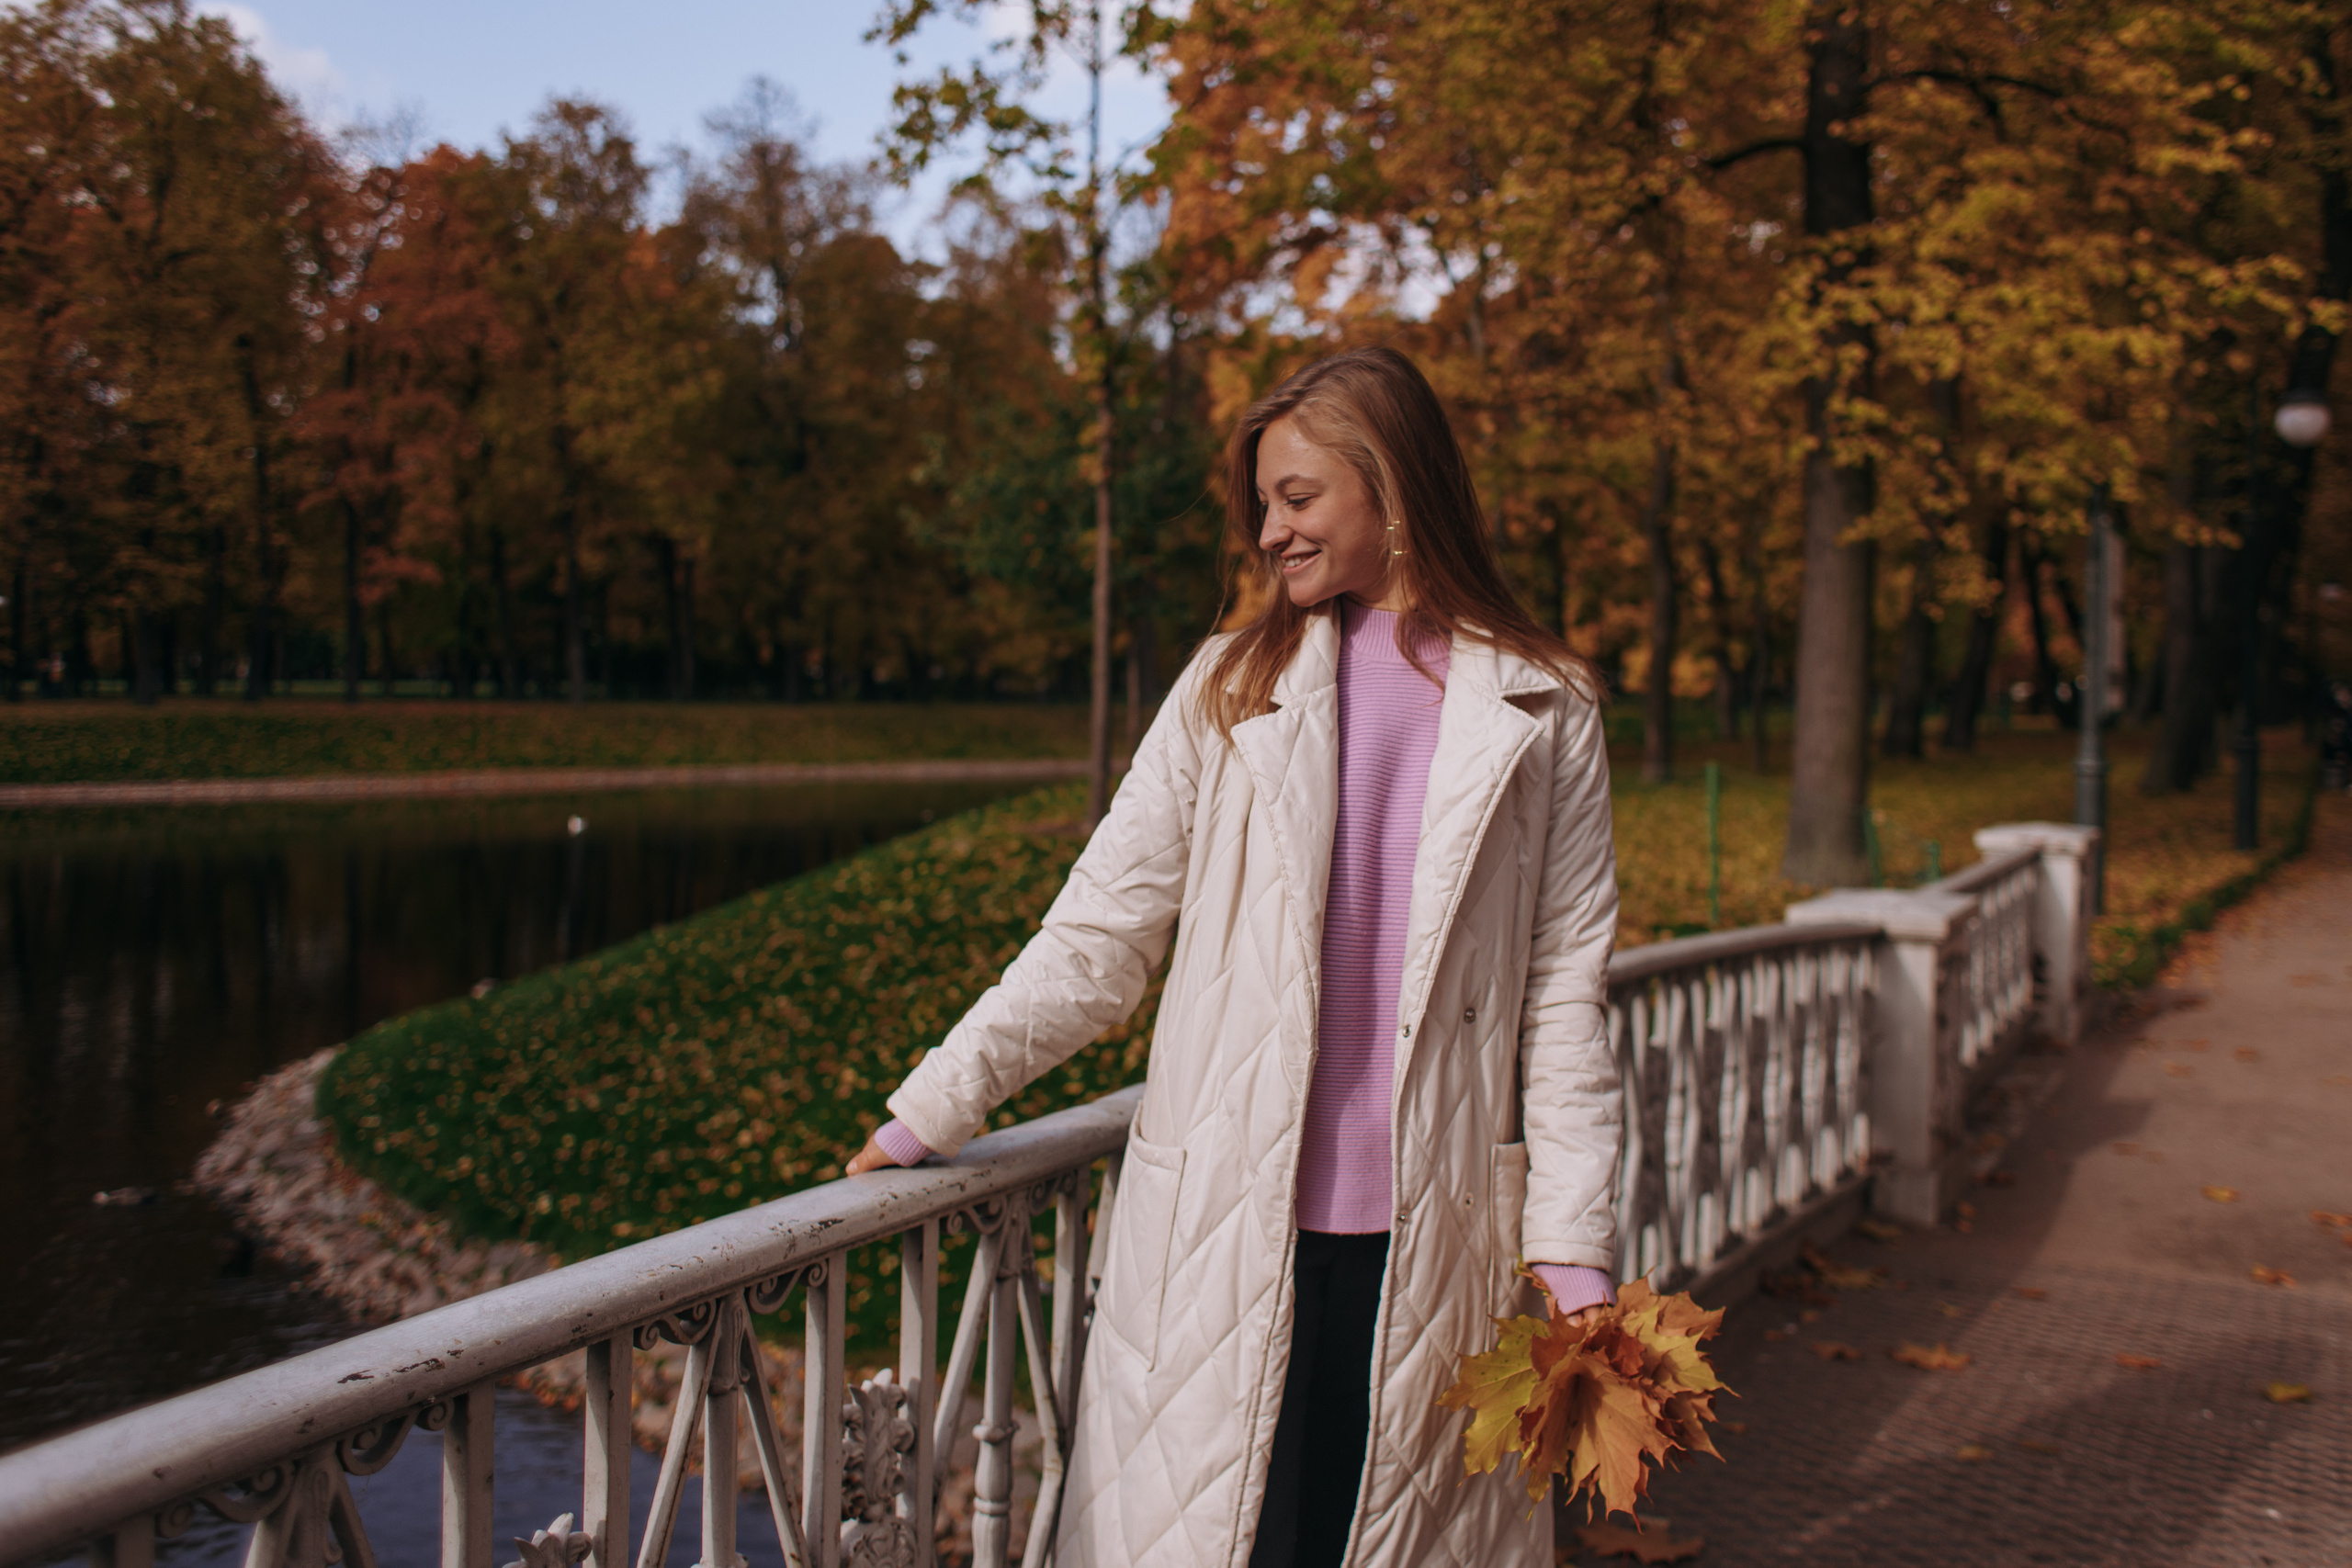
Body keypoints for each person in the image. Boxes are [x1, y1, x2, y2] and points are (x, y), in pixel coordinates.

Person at [846, 345, 1623, 1568]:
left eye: (1298, 498)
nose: (1269, 531)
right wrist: (935, 1104)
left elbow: (1568, 999)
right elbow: (1101, 933)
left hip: (1441, 1240)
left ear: (1397, 490)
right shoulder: (1225, 687)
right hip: (1222, 1230)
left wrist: (1573, 1243)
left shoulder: (1547, 707)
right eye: (1263, 503)